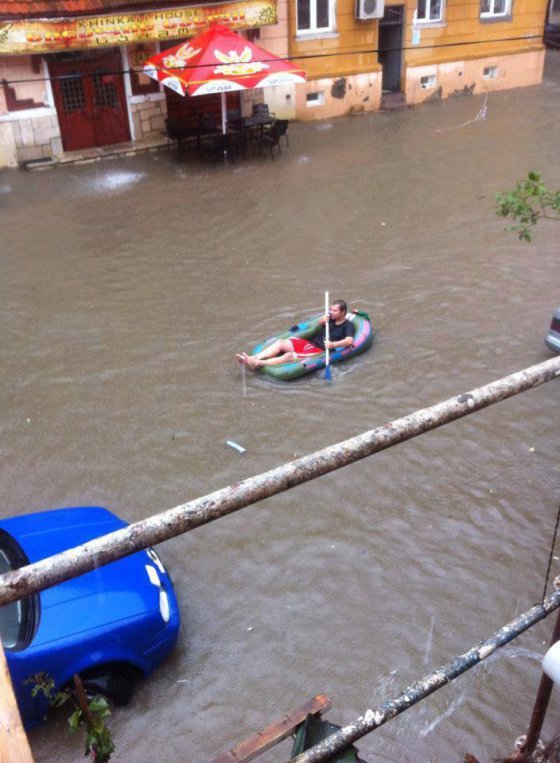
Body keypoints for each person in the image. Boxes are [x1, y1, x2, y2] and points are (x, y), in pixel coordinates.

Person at [236, 300, 355, 370]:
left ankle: (258, 363)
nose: (331, 312)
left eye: (334, 311)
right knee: (280, 343)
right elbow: (318, 324)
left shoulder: (348, 325)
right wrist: (322, 320)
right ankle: (254, 358)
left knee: (290, 355)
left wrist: (333, 344)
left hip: (318, 350)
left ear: (343, 312)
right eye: (330, 309)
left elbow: (349, 341)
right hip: (310, 343)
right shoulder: (329, 319)